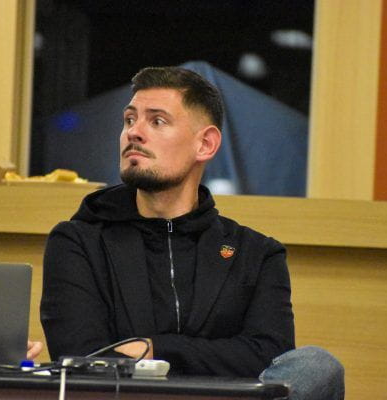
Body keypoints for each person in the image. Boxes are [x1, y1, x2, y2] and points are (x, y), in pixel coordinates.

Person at [40, 66, 344, 399]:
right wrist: (215, 355)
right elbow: (83, 362)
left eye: (157, 121)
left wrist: (157, 348)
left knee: (316, 366)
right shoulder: (78, 241)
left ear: (206, 144)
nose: (133, 133)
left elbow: (269, 356)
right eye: (129, 120)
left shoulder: (257, 253)